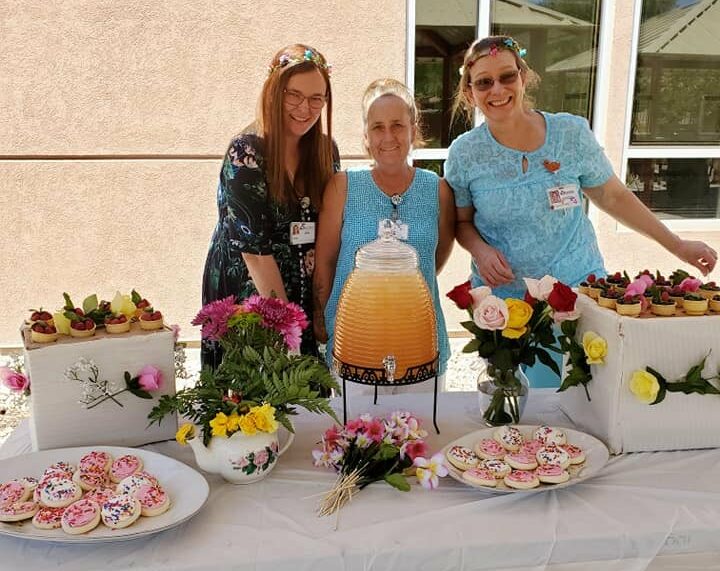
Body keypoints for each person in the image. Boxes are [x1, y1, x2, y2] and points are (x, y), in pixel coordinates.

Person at [445, 35, 718, 385]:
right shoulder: (465, 154)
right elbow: (462, 222)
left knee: (582, 397)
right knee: (520, 410)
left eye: (507, 76)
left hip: (577, 297)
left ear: (523, 77)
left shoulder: (570, 134)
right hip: (507, 310)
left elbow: (614, 197)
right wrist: (480, 251)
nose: (497, 89)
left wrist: (677, 245)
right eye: (484, 82)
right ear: (470, 93)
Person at [201, 44, 336, 368]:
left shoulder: (324, 151)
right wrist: (285, 329)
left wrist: (319, 310)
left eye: (317, 98)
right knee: (251, 406)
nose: (305, 108)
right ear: (274, 92)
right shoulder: (246, 152)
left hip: (301, 296)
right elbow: (255, 253)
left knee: (306, 402)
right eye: (294, 95)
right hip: (251, 295)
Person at [314, 78, 455, 386]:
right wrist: (323, 324)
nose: (388, 136)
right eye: (377, 127)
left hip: (419, 343)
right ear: (366, 135)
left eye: (397, 125)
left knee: (421, 431)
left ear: (413, 130)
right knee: (358, 433)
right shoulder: (343, 186)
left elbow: (435, 259)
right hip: (355, 341)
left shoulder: (438, 190)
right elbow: (324, 263)